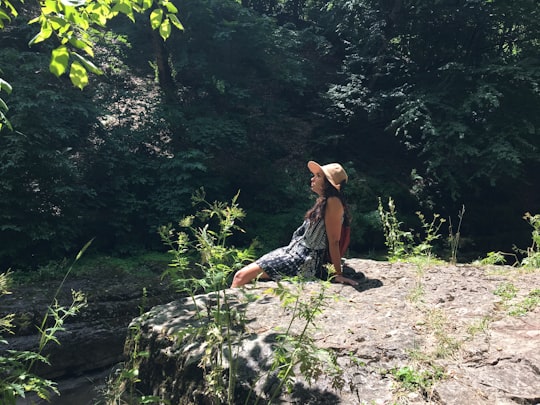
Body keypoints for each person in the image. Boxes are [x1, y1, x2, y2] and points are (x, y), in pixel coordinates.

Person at [231, 161, 359, 287]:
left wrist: (337, 274)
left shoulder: (333, 202)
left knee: (240, 276)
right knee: (242, 275)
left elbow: (334, 241)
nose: (313, 178)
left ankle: (227, 307)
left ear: (329, 184)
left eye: (318, 176)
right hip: (293, 252)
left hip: (303, 260)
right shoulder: (324, 201)